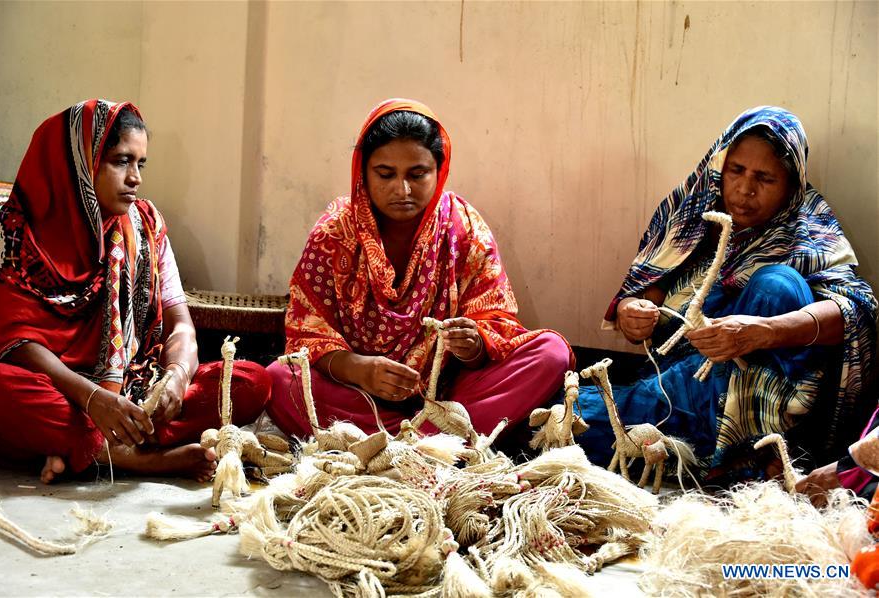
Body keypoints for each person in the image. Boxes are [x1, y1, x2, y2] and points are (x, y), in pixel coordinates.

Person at [574, 106, 876, 479]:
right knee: (571, 421)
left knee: (776, 286)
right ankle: (713, 455)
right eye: (736, 171)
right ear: (720, 166)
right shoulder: (690, 218)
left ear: (791, 184)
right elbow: (644, 295)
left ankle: (731, 448)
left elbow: (856, 311)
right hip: (681, 386)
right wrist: (633, 314)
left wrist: (763, 331)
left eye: (765, 178)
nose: (746, 189)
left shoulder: (808, 231)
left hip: (758, 393)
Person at [0, 99, 270, 484]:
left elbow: (180, 323)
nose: (135, 177)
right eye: (120, 161)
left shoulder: (144, 226)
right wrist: (92, 398)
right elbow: (13, 342)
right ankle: (138, 458)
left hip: (132, 387)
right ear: (80, 163)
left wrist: (177, 377)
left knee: (252, 380)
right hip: (61, 391)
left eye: (140, 163)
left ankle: (88, 449)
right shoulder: (15, 233)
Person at [266, 99, 572, 441]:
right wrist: (358, 369)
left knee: (551, 352)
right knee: (281, 379)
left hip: (450, 399)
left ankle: (413, 445)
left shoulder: (463, 227)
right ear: (363, 171)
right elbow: (307, 330)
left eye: (417, 174)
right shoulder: (336, 231)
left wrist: (474, 344)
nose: (402, 190)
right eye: (385, 174)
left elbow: (496, 319)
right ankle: (434, 446)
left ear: (439, 171)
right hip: (360, 397)